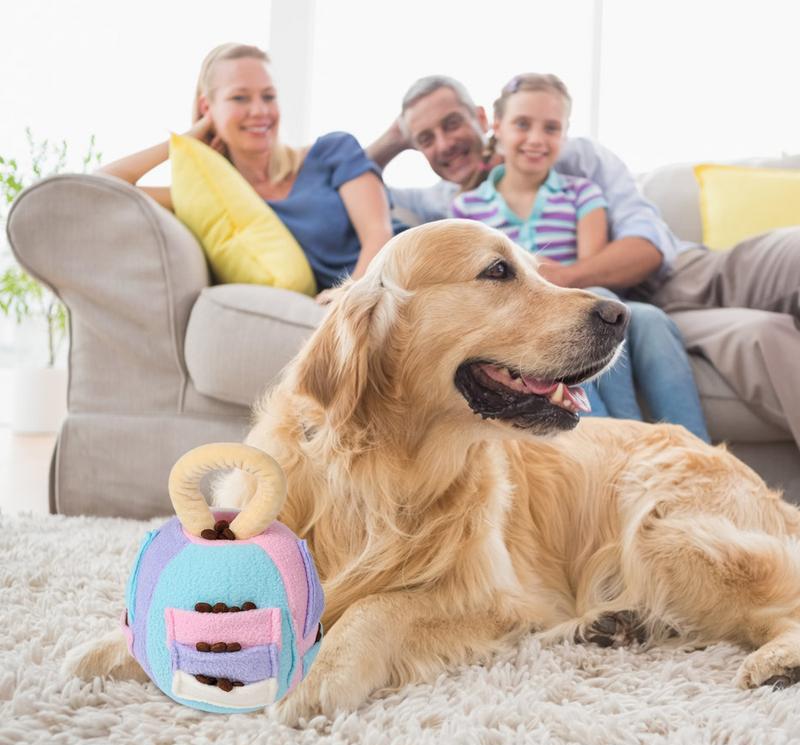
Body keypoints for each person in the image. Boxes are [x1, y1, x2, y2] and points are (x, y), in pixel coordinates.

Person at [368, 75, 800, 448]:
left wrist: (560, 283)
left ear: (485, 122)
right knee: (766, 334)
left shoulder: (577, 167)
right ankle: (633, 450)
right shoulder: (454, 208)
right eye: (425, 138)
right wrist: (394, 136)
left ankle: (681, 452)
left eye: (451, 123)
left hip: (681, 275)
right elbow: (351, 182)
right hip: (625, 313)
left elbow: (646, 248)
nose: (443, 143)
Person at [450, 73, 709, 439]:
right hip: (527, 318)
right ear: (497, 126)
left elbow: (591, 277)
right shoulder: (467, 206)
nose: (537, 139)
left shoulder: (582, 193)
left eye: (552, 128)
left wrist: (563, 280)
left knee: (650, 320)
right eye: (523, 124)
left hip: (585, 299)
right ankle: (623, 440)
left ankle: (697, 447)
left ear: (565, 134)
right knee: (616, 311)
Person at [98, 43, 393, 302]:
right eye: (240, 98)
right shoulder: (217, 202)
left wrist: (346, 299)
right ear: (207, 107)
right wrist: (185, 138)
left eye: (268, 96)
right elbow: (99, 189)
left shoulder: (332, 150)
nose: (260, 111)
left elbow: (378, 235)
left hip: (397, 279)